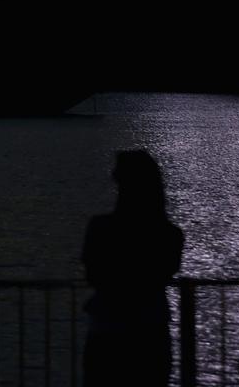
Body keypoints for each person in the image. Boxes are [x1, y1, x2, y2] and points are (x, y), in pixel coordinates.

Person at [82, 150, 184, 387]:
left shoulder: (100, 229)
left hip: (107, 330)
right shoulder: (170, 235)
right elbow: (163, 275)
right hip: (151, 332)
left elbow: (93, 276)